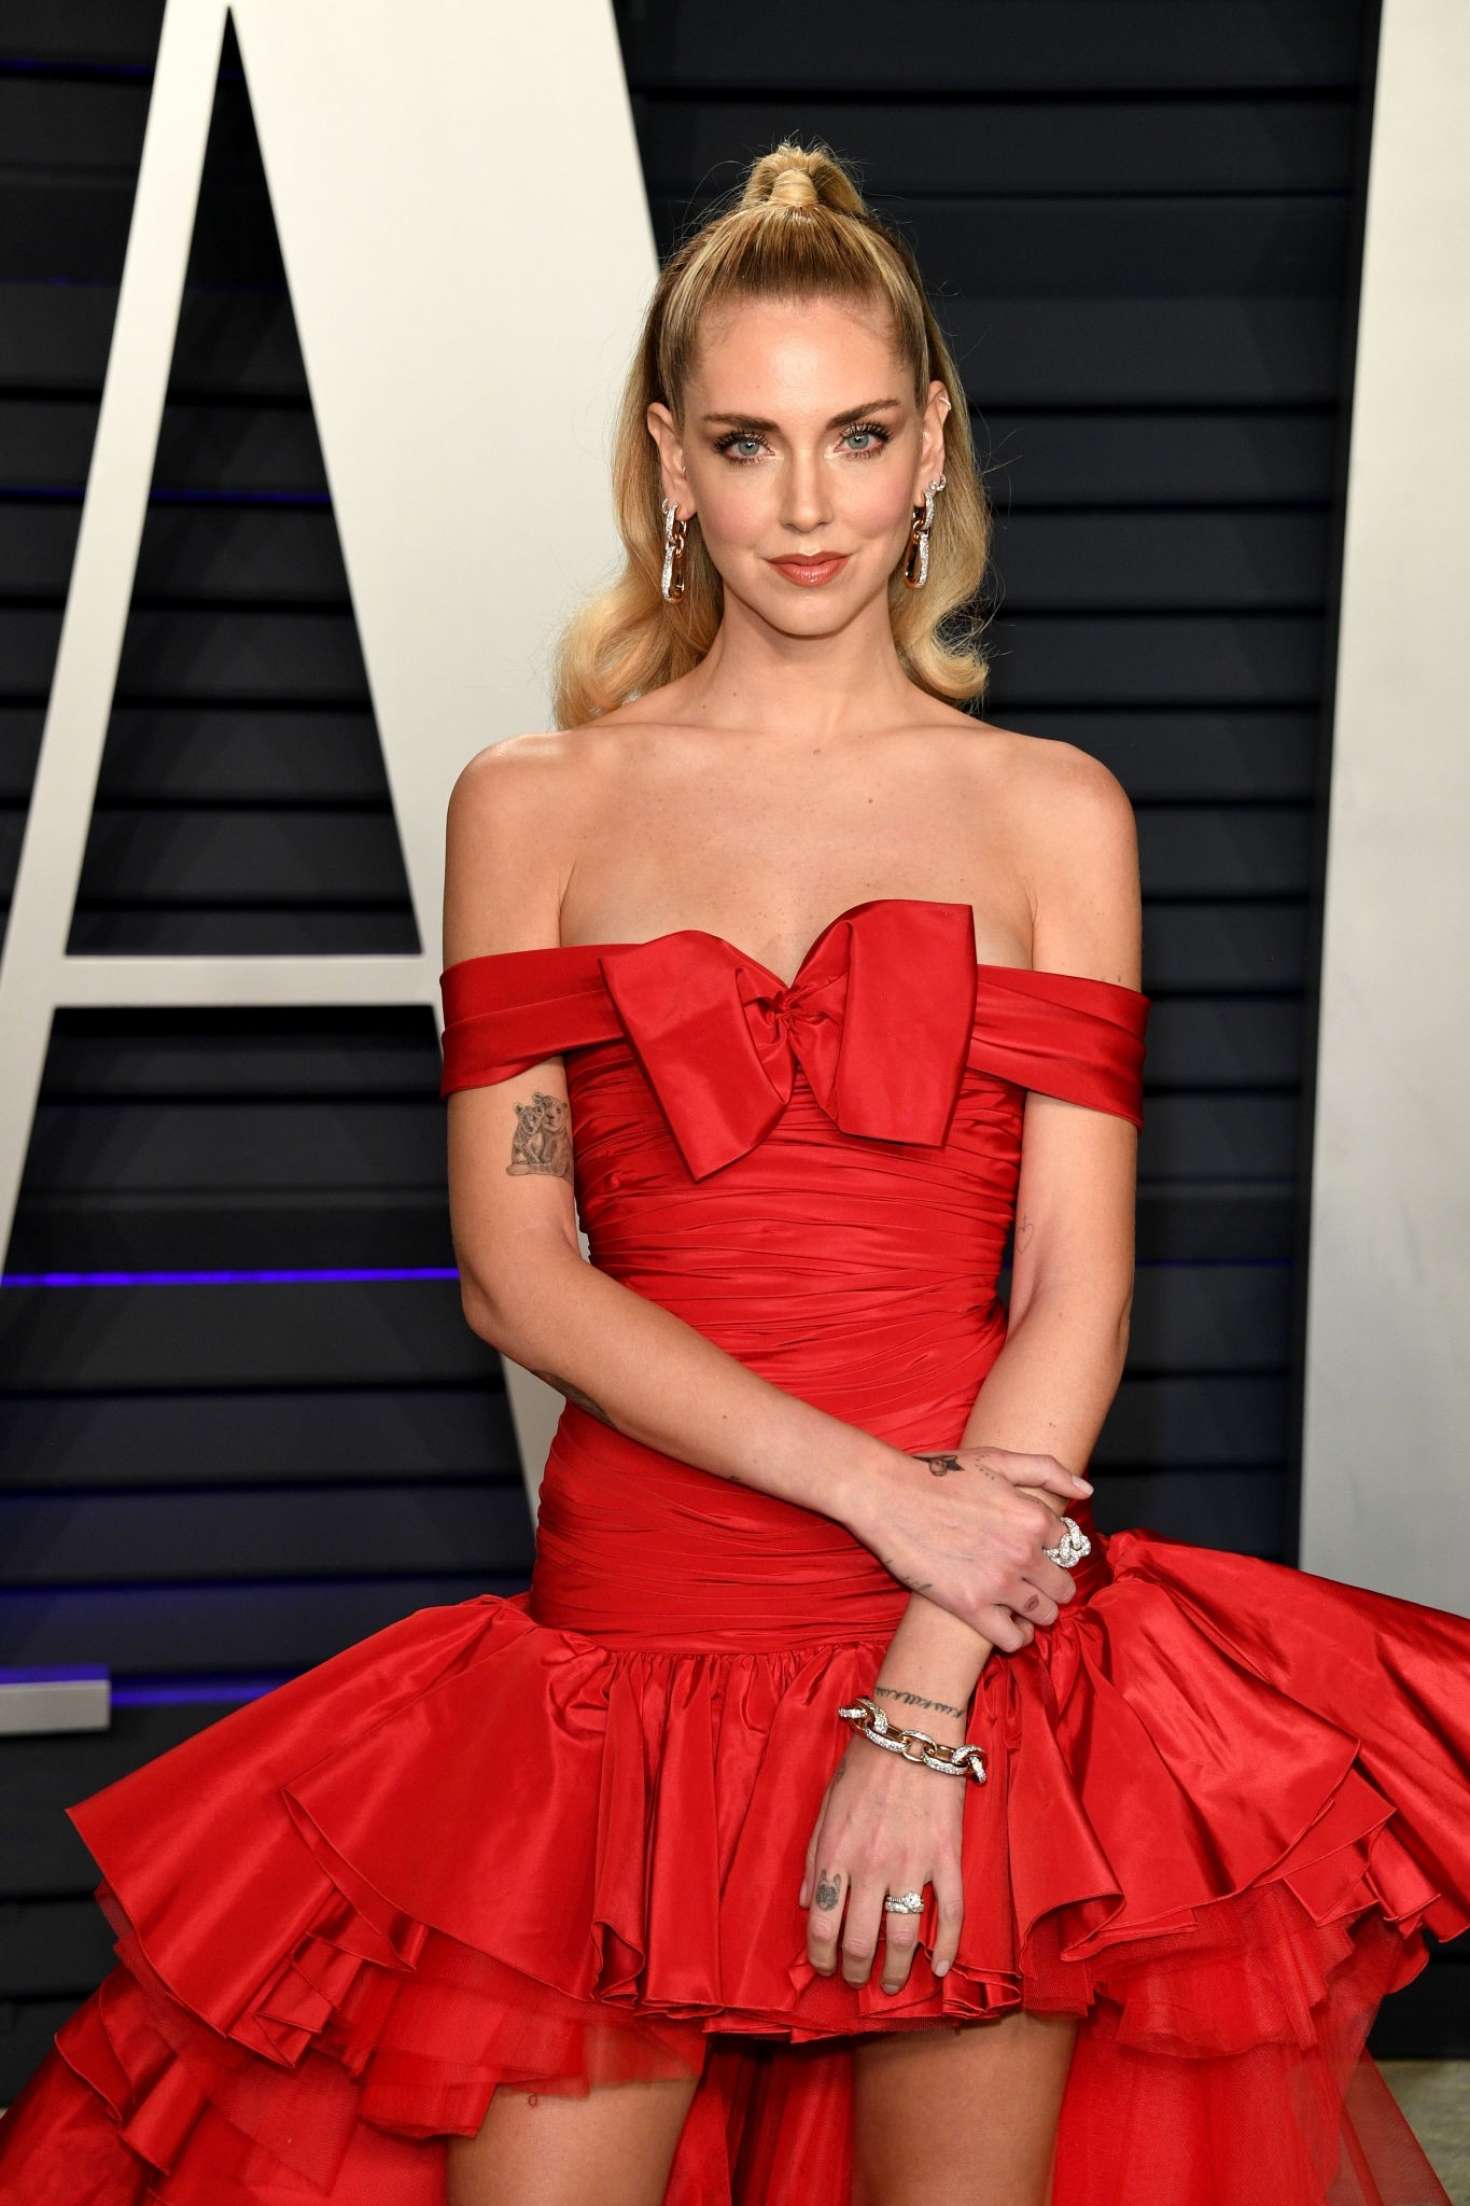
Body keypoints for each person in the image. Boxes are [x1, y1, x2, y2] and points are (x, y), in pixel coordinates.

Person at [1, 137, 1466, 2206]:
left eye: (859, 436)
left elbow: (1077, 1291)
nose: (808, 504)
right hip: (622, 1672)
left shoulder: (1054, 812)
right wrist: (897, 1500)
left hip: (969, 1660)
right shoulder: (535, 803)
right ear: (670, 464)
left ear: (933, 446)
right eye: (753, 443)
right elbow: (519, 1269)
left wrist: (925, 1694)